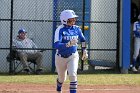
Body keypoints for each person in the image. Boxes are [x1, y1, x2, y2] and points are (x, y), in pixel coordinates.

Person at [54, 10, 88, 93]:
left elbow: (83, 40)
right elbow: (56, 45)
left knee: (72, 75)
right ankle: (59, 88)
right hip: (60, 57)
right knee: (62, 78)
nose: (74, 21)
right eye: (71, 19)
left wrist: (84, 49)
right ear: (65, 20)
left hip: (73, 56)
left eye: (74, 19)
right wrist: (68, 44)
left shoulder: (76, 29)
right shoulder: (60, 29)